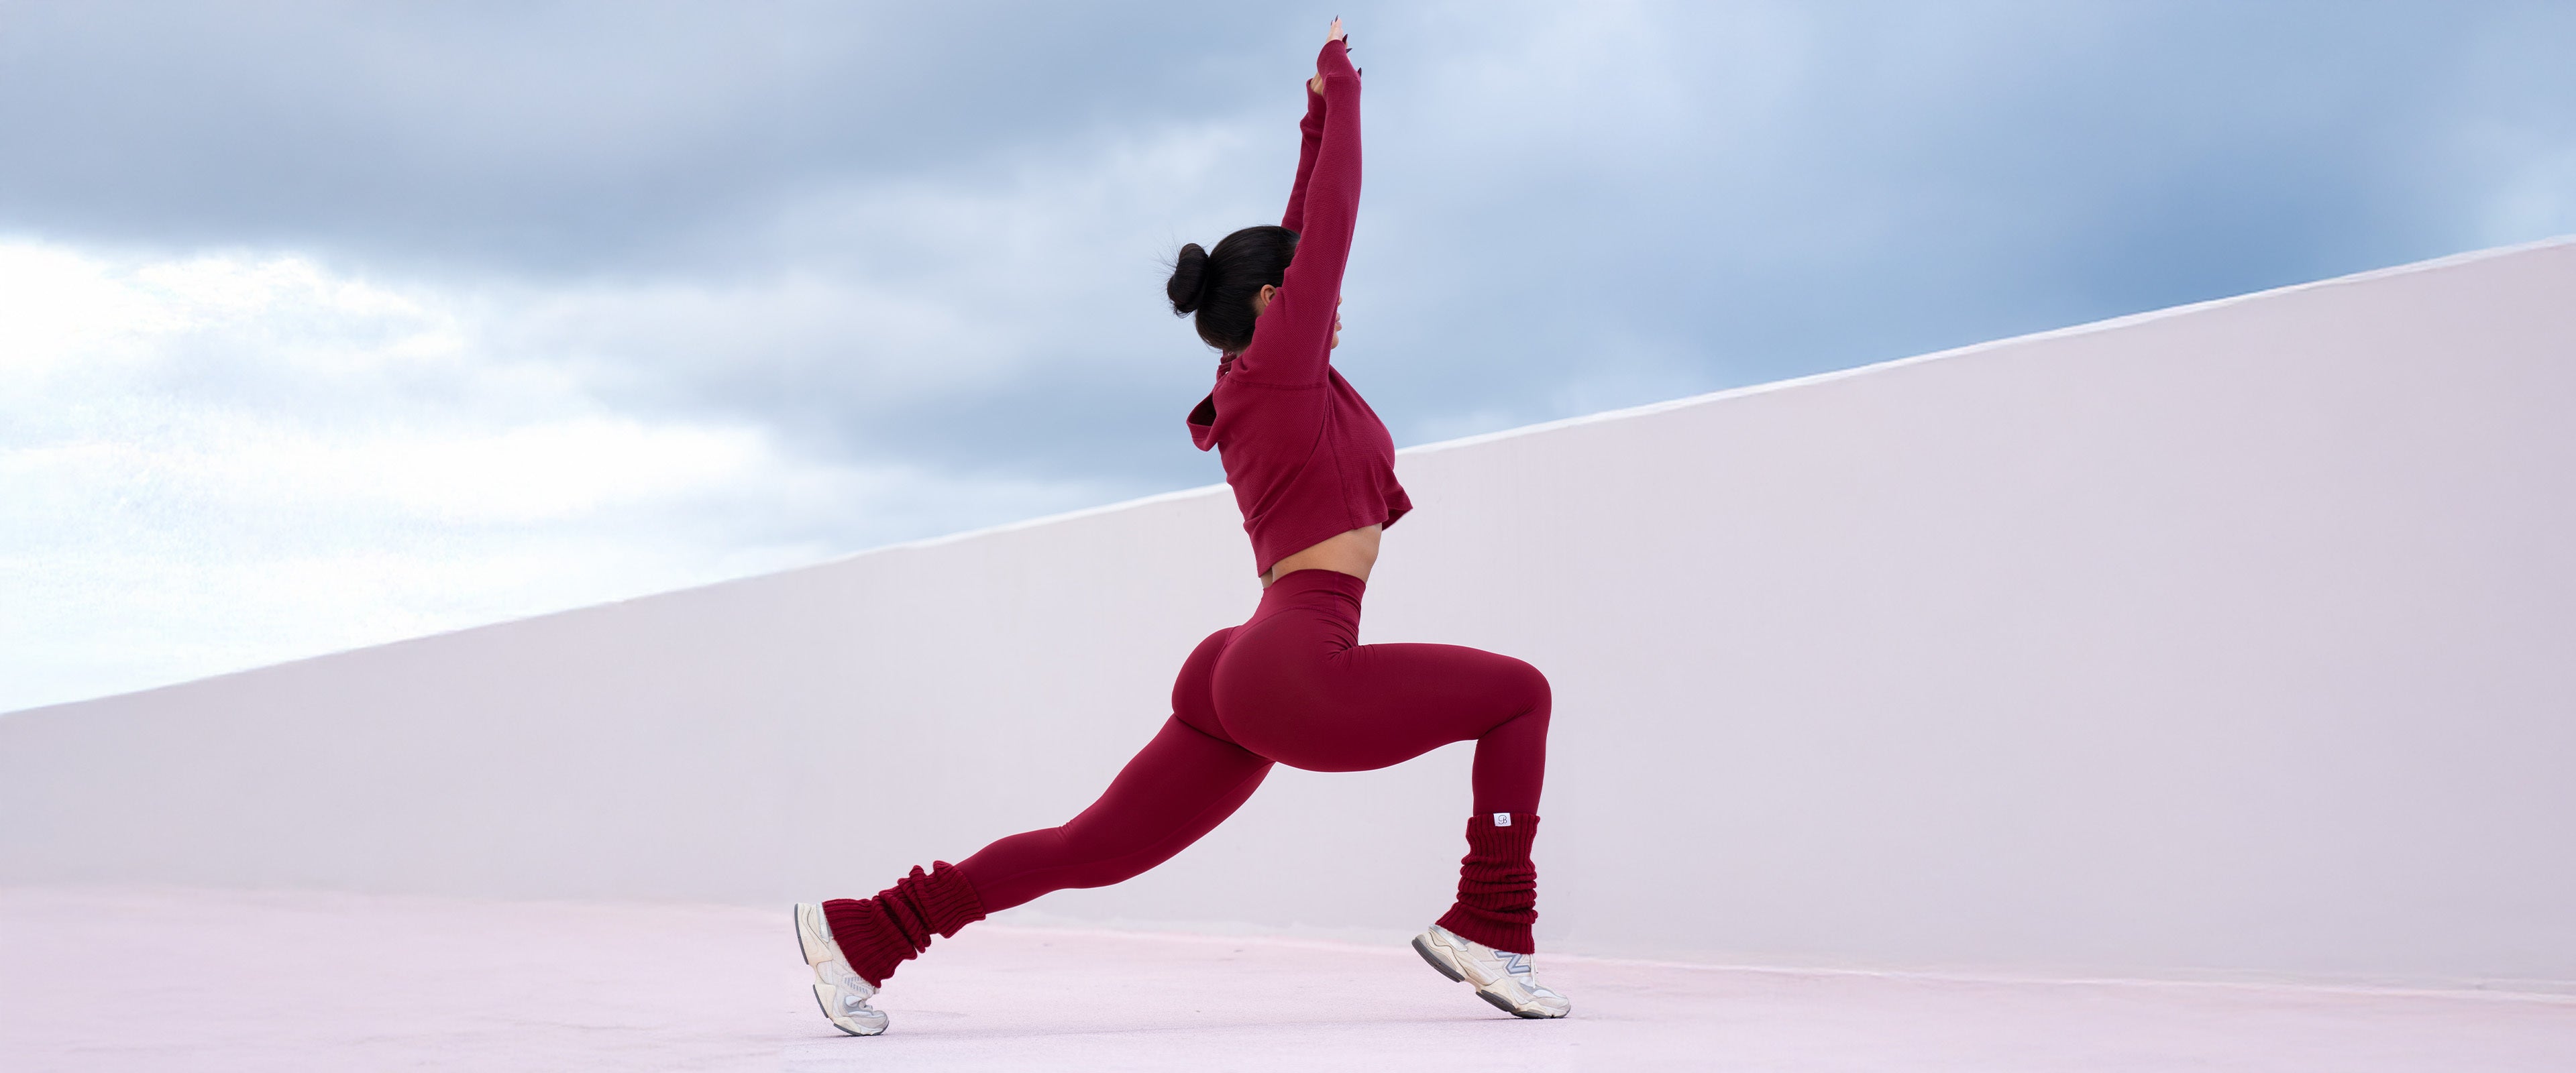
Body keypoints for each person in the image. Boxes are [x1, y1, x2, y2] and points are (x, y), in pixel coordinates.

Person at [792, 19, 1569, 1035]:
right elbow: (1330, 225)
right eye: (1309, 293)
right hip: (1294, 660)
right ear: (1273, 302)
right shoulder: (1281, 370)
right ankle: (1492, 926)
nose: (1337, 305)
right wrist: (1347, 87)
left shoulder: (1259, 376)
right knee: (1520, 696)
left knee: (1088, 848)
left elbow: (1301, 233)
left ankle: (869, 933)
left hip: (1244, 662)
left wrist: (1314, 119)